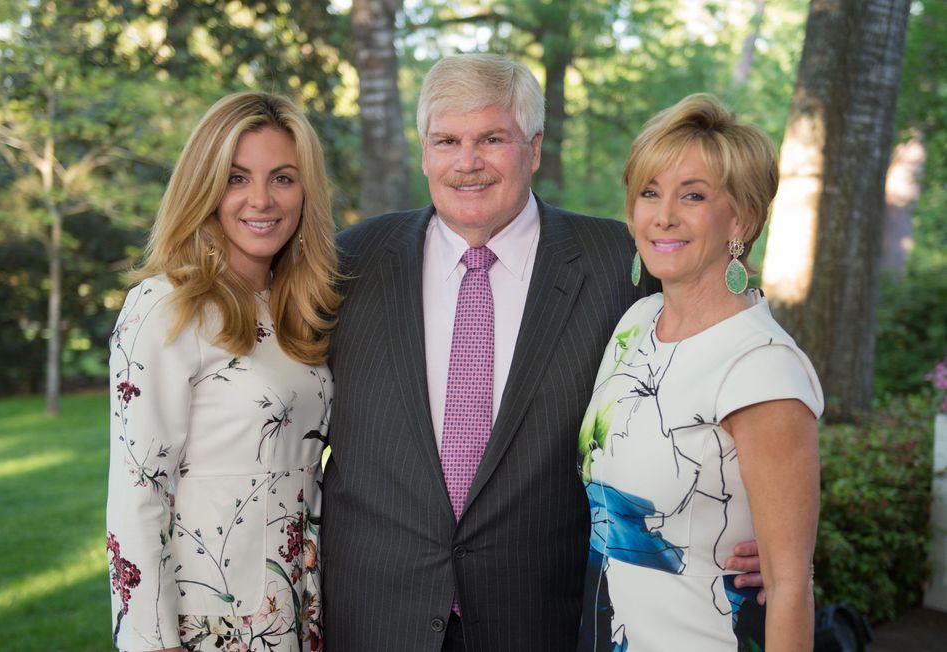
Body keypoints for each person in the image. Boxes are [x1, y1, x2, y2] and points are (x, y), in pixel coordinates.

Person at [321, 54, 763, 651]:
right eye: (447, 139)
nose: (467, 161)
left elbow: (733, 372)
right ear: (424, 151)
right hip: (374, 619)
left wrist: (763, 530)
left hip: (543, 620)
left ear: (533, 148)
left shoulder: (624, 265)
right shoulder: (348, 263)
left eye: (492, 138)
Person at [577, 93, 822, 651]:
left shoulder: (761, 368)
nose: (663, 215)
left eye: (693, 196)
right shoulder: (637, 324)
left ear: (743, 217)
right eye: (649, 193)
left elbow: (788, 585)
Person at [105, 92, 340, 652]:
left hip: (296, 610)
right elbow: (138, 493)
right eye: (237, 178)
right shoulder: (166, 306)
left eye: (283, 178)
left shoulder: (294, 308)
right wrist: (150, 642)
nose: (261, 199)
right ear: (205, 186)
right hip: (206, 624)